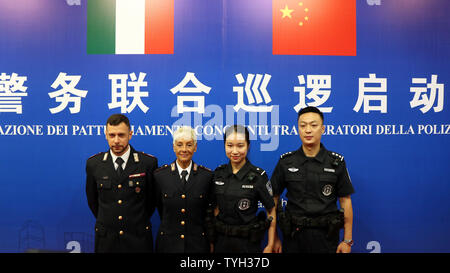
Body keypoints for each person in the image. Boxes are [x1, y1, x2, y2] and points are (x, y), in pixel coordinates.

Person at [271, 106, 355, 253]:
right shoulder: (286, 162)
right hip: (293, 237)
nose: (308, 130)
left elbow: (345, 201)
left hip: (326, 238)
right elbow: (273, 199)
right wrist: (275, 238)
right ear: (298, 129)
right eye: (303, 126)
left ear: (322, 129)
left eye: (313, 125)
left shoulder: (336, 162)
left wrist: (347, 240)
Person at [85, 114, 158, 253]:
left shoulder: (147, 163)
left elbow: (152, 202)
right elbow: (93, 201)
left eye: (121, 135)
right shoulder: (94, 164)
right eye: (112, 135)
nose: (116, 140)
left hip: (137, 239)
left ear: (130, 134)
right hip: (107, 240)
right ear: (105, 135)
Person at [208, 125, 277, 253]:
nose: (234, 151)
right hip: (221, 242)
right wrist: (212, 242)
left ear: (248, 145)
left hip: (248, 244)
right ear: (224, 145)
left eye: (240, 145)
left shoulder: (258, 176)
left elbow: (271, 210)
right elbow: (215, 209)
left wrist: (270, 244)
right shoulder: (218, 174)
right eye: (229, 145)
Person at [153, 126, 213, 253]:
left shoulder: (206, 176)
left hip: (197, 245)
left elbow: (208, 211)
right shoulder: (160, 176)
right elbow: (158, 207)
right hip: (168, 244)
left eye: (189, 145)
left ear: (195, 147)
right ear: (174, 147)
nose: (184, 149)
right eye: (180, 145)